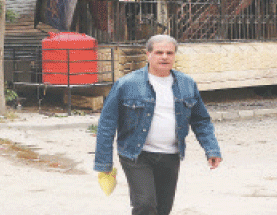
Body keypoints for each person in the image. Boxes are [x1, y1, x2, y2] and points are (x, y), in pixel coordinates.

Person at [94, 34, 222, 215]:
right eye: (159, 52)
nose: (164, 57)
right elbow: (107, 123)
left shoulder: (187, 84)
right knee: (145, 205)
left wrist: (212, 149)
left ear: (174, 56)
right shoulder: (127, 84)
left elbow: (201, 120)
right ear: (148, 54)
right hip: (137, 154)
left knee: (163, 209)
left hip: (171, 155)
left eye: (169, 53)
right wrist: (104, 162)